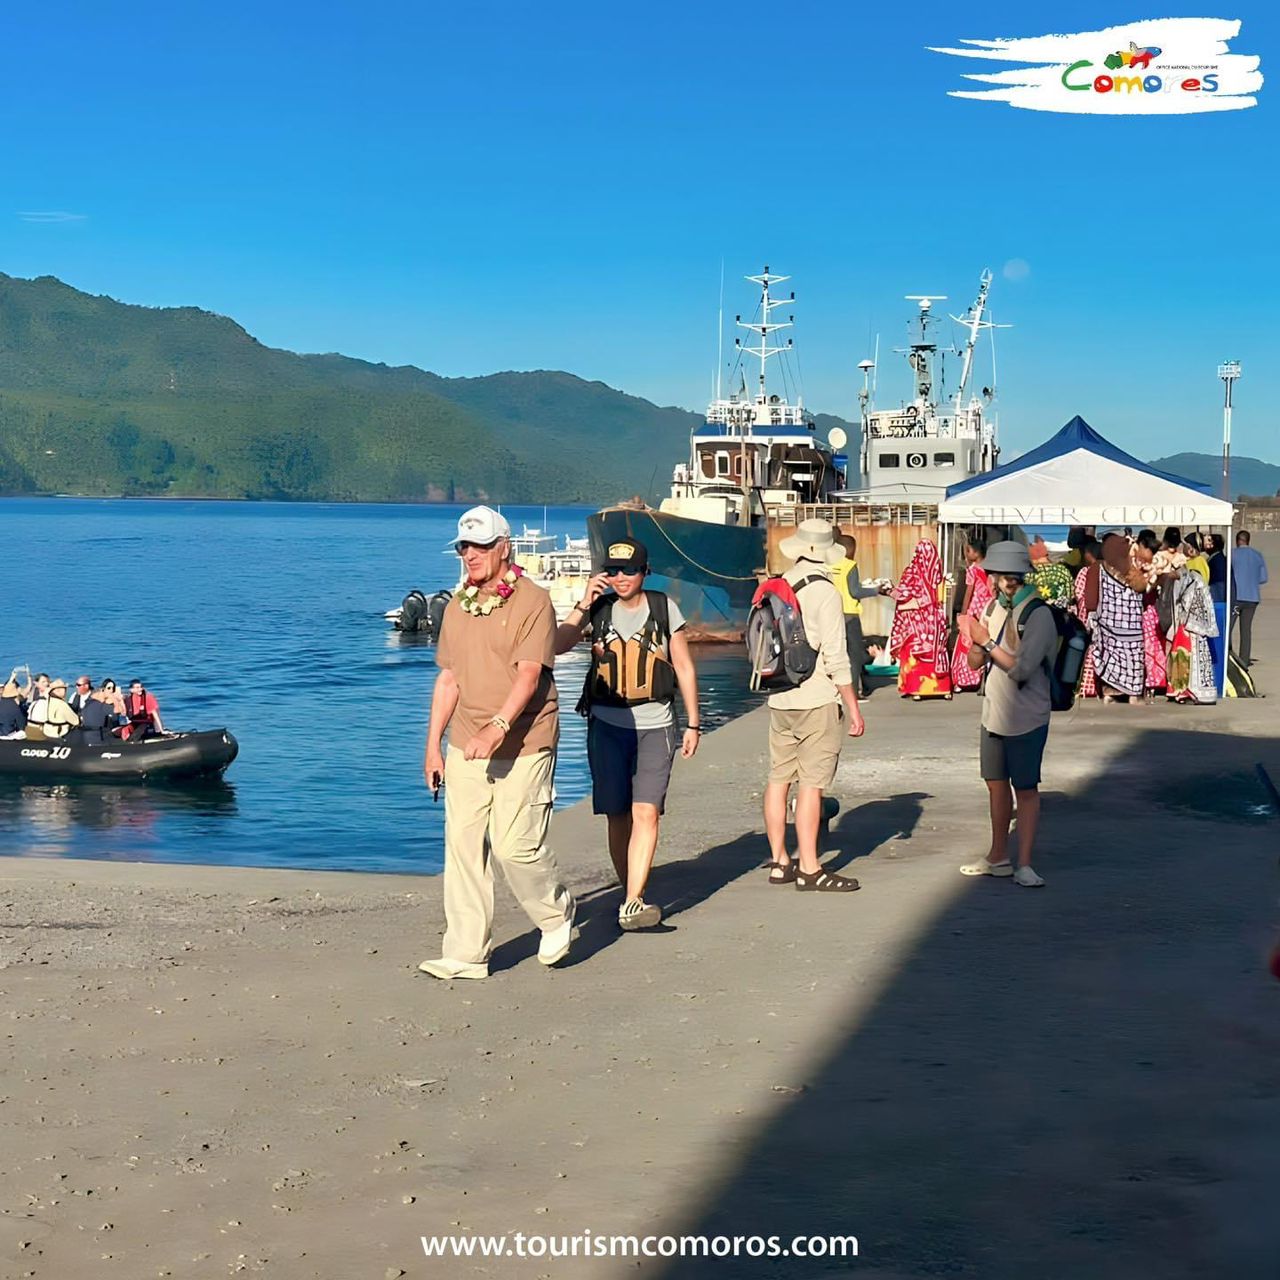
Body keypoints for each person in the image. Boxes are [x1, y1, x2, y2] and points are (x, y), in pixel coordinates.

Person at [419, 506, 575, 981]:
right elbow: (448, 679)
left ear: (504, 547)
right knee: (463, 847)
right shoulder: (457, 606)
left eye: (482, 546)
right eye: (464, 546)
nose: (471, 555)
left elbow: (530, 674)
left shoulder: (533, 601)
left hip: (526, 741)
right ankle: (466, 953)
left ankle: (556, 915)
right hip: (466, 742)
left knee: (513, 847)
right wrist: (432, 747)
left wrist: (499, 726)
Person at [554, 537, 700, 930]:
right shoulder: (598, 608)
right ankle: (628, 893)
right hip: (607, 725)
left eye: (629, 570)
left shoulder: (663, 608)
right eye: (613, 570)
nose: (620, 578)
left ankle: (634, 900)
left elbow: (683, 667)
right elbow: (556, 645)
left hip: (655, 724)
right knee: (617, 815)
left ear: (644, 571)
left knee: (646, 811)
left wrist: (694, 722)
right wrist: (583, 603)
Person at [763, 519, 865, 892]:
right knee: (811, 784)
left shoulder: (777, 585)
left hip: (780, 695)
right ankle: (810, 867)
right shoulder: (825, 591)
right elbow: (837, 656)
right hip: (817, 697)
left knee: (778, 780)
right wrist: (852, 706)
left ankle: (779, 861)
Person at [960, 541, 1054, 888]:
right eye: (995, 576)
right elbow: (974, 663)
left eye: (1001, 576)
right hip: (993, 713)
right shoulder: (991, 608)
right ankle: (998, 855)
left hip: (1027, 714)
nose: (997, 582)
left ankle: (1024, 863)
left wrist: (985, 643)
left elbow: (1021, 669)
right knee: (995, 785)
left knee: (1025, 788)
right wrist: (972, 640)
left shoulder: (1038, 613)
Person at [888, 540, 953, 699]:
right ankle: (942, 688)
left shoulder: (912, 572)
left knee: (914, 651)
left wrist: (889, 590)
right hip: (934, 621)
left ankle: (917, 688)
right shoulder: (937, 572)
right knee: (936, 650)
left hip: (915, 621)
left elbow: (903, 594)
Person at [1093, 531, 1150, 704]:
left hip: (1108, 625)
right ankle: (1133, 693)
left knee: (1111, 658)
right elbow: (1142, 588)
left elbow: (1092, 595)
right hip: (1132, 627)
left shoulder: (1100, 568)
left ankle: (1110, 692)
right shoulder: (1132, 570)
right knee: (1133, 659)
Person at [826, 534, 881, 697]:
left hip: (832, 613)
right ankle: (855, 691)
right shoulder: (850, 565)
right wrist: (876, 590)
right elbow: (855, 591)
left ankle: (834, 689)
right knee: (854, 654)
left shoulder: (828, 565)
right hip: (849, 614)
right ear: (851, 549)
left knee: (835, 652)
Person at [1165, 563, 1219, 704]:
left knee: (1191, 661)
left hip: (1191, 629)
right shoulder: (1195, 583)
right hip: (1196, 629)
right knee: (1193, 660)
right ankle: (1192, 692)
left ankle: (1193, 692)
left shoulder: (1192, 584)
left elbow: (1188, 606)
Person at [951, 537, 994, 693]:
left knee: (967, 643)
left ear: (975, 552)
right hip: (988, 608)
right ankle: (983, 677)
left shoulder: (973, 570)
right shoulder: (991, 568)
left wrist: (963, 613)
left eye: (968, 551)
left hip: (975, 609)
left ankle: (965, 678)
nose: (966, 555)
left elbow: (968, 593)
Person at [1071, 537, 1104, 699]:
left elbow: (1078, 594)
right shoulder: (1109, 571)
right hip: (1106, 618)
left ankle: (1086, 686)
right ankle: (1100, 686)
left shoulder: (1086, 571)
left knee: (1088, 651)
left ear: (1090, 555)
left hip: (1087, 616)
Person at [1231, 529, 1269, 668]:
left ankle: (1228, 655)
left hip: (1236, 596)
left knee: (1229, 627)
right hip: (1252, 597)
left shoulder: (1232, 554)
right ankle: (1244, 659)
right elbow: (1263, 578)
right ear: (1248, 540)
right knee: (1246, 629)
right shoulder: (1257, 555)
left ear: (1237, 540)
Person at [1204, 533, 1229, 691]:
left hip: (1217, 603)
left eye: (1208, 541)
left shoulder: (1217, 560)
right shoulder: (1218, 558)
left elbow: (1218, 584)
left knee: (1217, 643)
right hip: (1219, 601)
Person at [1027, 541, 1074, 607]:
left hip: (1038, 610)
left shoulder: (1030, 575)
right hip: (1060, 612)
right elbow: (1070, 596)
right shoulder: (1063, 570)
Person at [0, 672, 28, 739]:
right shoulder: (15, 708)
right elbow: (21, 726)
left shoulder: (2, 703)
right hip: (8, 737)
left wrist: (12, 677)